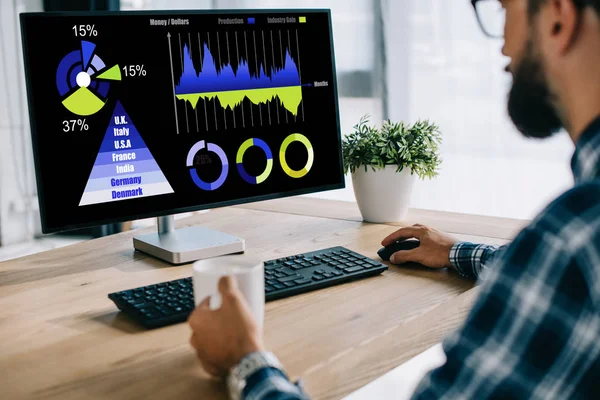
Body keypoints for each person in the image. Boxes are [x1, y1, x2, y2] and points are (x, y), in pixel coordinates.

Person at [188, 0, 600, 398]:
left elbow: (564, 268)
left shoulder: (572, 239)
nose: (505, 46)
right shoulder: (571, 247)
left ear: (558, 17)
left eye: (502, 9)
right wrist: (458, 251)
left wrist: (246, 360)